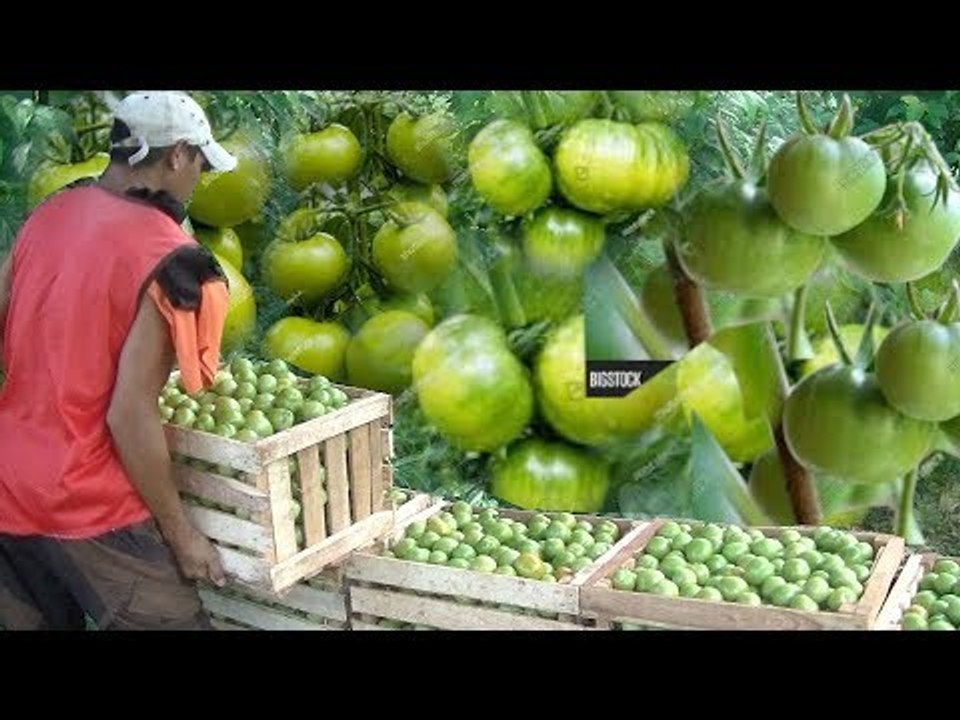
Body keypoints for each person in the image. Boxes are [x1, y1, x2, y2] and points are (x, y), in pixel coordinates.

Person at [0, 91, 239, 630]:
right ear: (177, 155)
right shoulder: (174, 263)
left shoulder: (48, 215)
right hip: (90, 504)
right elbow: (128, 415)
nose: (198, 180)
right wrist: (182, 534)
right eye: (200, 164)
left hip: (10, 485)